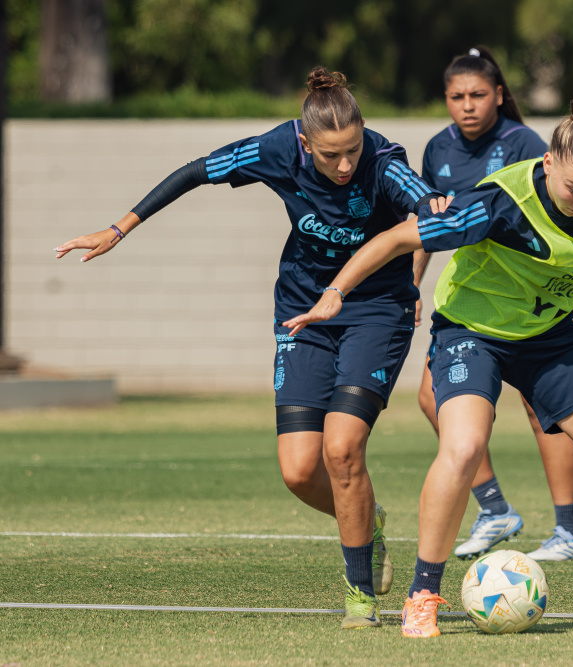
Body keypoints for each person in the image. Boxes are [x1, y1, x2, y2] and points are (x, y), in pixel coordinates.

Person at [284, 91, 573, 637]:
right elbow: (398, 237)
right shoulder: (497, 202)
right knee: (463, 447)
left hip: (552, 339)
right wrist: (335, 292)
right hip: (473, 335)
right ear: (548, 163)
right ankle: (423, 593)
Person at [55, 67, 449, 628]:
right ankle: (367, 520)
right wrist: (118, 230)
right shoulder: (273, 149)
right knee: (297, 470)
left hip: (377, 310)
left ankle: (359, 596)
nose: (345, 165)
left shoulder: (382, 160)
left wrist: (433, 201)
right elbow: (195, 172)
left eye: (352, 150)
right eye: (331, 155)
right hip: (301, 310)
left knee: (341, 448)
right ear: (305, 142)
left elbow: (414, 190)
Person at [415, 46, 573, 562]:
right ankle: (495, 510)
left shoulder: (524, 144)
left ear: (498, 96)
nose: (466, 105)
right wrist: (412, 284)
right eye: (456, 96)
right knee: (432, 398)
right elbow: (428, 225)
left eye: (477, 95)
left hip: (535, 295)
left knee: (545, 412)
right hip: (475, 300)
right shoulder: (436, 149)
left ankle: (569, 533)